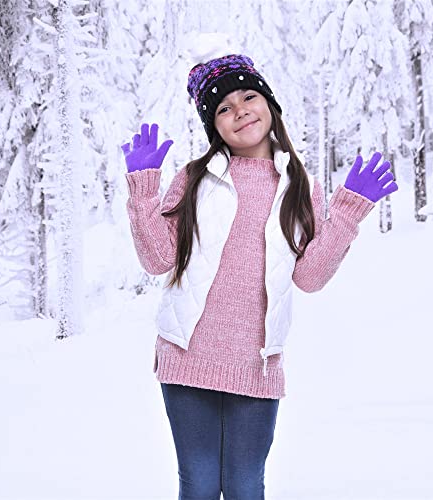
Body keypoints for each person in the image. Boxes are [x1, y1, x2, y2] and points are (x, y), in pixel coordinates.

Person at [121, 53, 398, 500]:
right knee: (199, 484)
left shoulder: (300, 187)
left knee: (246, 486)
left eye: (249, 96)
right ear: (214, 126)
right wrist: (142, 192)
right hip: (187, 356)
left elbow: (309, 277)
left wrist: (347, 215)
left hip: (256, 363)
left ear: (269, 103)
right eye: (223, 108)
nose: (240, 111)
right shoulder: (194, 179)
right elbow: (157, 259)